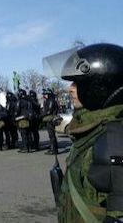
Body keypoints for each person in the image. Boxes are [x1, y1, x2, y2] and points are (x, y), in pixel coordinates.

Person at [44, 43, 123, 222]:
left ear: (101, 85)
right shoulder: (90, 129)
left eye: (78, 82)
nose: (69, 88)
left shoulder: (114, 141)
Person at [42, 88, 59, 155]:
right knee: (51, 135)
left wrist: (42, 115)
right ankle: (53, 148)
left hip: (50, 119)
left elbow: (49, 111)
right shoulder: (49, 100)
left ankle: (54, 150)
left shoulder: (51, 101)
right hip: (50, 119)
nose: (44, 95)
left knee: (52, 135)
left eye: (45, 94)